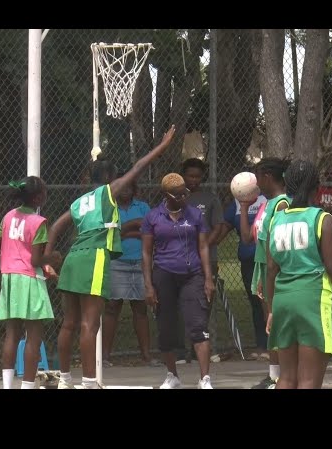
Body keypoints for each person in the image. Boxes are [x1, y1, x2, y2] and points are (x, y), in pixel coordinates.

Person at [45, 125, 176, 389]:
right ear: (109, 177)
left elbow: (56, 227)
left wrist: (48, 256)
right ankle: (90, 382)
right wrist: (162, 147)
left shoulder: (79, 201)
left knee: (69, 323)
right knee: (89, 323)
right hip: (94, 257)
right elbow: (138, 167)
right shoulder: (108, 192)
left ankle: (65, 379)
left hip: (73, 258)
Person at [265, 159, 332, 389]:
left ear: (287, 186)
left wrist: (271, 309)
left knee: (286, 378)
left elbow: (271, 269)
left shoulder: (276, 220)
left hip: (283, 299)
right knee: (309, 379)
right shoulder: (322, 219)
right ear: (317, 188)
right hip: (312, 299)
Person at [0, 177, 62, 389]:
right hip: (29, 280)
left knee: (12, 334)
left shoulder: (8, 216)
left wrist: (10, 257)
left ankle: (7, 386)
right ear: (38, 197)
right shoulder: (38, 222)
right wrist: (52, 258)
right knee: (34, 337)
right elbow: (35, 260)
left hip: (9, 278)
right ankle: (27, 386)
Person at [142, 173, 215, 389]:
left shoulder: (195, 215)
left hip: (192, 275)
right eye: (179, 194)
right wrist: (148, 285)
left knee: (198, 325)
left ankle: (205, 378)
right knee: (166, 327)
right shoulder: (153, 217)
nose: (184, 197)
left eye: (185, 193)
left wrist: (208, 278)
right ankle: (172, 375)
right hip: (163, 274)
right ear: (166, 195)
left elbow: (203, 247)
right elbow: (146, 253)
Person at [101, 178, 157, 367]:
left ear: (134, 189)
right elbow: (110, 235)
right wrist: (133, 227)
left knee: (140, 308)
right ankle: (105, 356)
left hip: (140, 263)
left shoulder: (142, 207)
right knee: (112, 307)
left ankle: (146, 355)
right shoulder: (109, 207)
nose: (125, 190)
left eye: (129, 187)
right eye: (121, 187)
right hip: (117, 262)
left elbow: (149, 231)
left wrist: (125, 231)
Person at [246, 158, 290, 389]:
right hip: (262, 266)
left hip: (273, 269)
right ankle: (274, 375)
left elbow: (278, 242)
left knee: (276, 322)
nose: (256, 181)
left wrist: (271, 276)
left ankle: (283, 376)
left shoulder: (282, 203)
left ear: (268, 177)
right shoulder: (268, 203)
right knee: (269, 323)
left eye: (258, 176)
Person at [175, 158, 224, 362]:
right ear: (183, 176)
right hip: (181, 259)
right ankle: (183, 349)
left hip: (206, 259)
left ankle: (203, 348)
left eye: (197, 176)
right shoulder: (176, 198)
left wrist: (202, 247)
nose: (194, 179)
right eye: (190, 175)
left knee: (204, 303)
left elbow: (218, 227)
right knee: (182, 303)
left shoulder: (210, 199)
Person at [215, 189, 269, 360]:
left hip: (269, 261)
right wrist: (207, 244)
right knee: (256, 302)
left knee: (269, 302)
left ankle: (275, 346)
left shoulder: (269, 199)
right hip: (248, 262)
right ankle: (262, 345)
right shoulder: (238, 203)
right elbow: (223, 229)